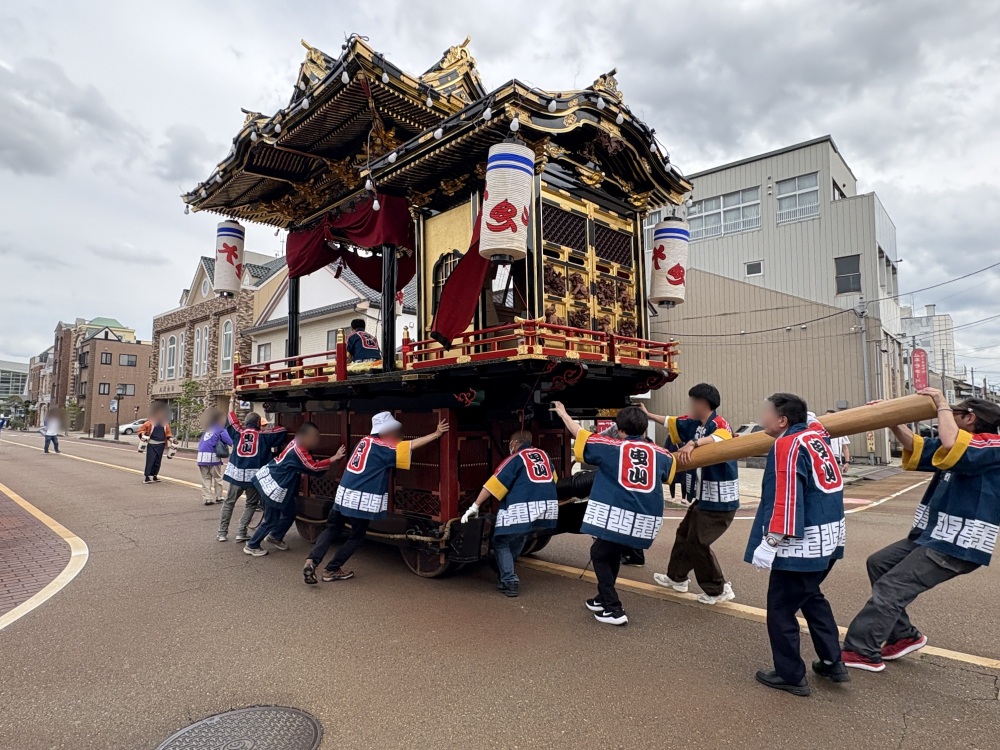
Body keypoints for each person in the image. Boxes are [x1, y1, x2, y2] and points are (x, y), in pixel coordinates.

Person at [841, 389, 1000, 672]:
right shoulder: (959, 443)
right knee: (879, 564)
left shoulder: (991, 445)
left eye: (954, 413)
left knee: (893, 587)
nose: (945, 418)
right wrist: (892, 419)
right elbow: (916, 446)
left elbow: (952, 444)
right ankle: (903, 636)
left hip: (959, 542)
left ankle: (861, 651)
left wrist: (940, 402)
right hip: (933, 534)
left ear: (970, 418)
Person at [746, 393, 847, 697]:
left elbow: (788, 497)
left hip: (802, 545)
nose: (761, 417)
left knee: (780, 608)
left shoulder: (787, 444)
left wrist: (771, 541)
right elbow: (817, 423)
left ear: (782, 420)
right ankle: (832, 660)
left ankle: (791, 674)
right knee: (812, 597)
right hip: (830, 538)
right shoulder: (815, 436)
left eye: (766, 412)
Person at [551, 401, 674, 626]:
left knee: (598, 553)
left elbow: (580, 433)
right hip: (647, 520)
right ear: (645, 429)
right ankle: (601, 598)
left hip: (618, 516)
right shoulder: (662, 454)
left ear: (620, 430)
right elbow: (668, 474)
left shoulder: (611, 446)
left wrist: (563, 413)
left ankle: (613, 608)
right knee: (612, 552)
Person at [303, 412, 448, 582]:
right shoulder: (382, 448)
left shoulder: (364, 441)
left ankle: (311, 561)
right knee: (356, 536)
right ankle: (331, 570)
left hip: (343, 494)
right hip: (359, 498)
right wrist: (436, 434)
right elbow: (410, 446)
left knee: (331, 528)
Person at [643, 384, 740, 604]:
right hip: (704, 496)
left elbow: (723, 437)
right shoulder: (696, 423)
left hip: (720, 499)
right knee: (684, 533)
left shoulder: (719, 423)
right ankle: (676, 578)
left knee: (698, 542)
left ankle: (718, 588)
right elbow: (671, 421)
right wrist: (648, 415)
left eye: (693, 401)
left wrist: (693, 444)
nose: (690, 406)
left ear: (702, 403)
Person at [460, 430, 559, 596]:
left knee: (501, 541)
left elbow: (493, 484)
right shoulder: (544, 455)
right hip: (548, 507)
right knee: (519, 536)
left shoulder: (515, 458)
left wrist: (475, 506)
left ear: (514, 443)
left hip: (524, 507)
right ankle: (504, 572)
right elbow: (554, 479)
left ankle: (509, 580)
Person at [244, 422, 346, 556]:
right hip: (274, 487)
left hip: (272, 481)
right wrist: (334, 458)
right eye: (314, 438)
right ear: (304, 436)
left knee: (290, 512)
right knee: (271, 520)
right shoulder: (298, 450)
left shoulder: (296, 442)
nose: (316, 441)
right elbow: (313, 466)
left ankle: (275, 536)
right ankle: (252, 545)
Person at [218, 397, 288, 542]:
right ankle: (241, 532)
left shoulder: (238, 433)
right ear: (257, 423)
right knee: (250, 504)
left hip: (236, 475)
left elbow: (231, 419)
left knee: (229, 503)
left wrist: (232, 400)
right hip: (253, 478)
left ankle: (222, 533)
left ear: (246, 423)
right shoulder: (263, 436)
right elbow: (282, 430)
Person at [196, 410, 233, 506]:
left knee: (206, 478)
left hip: (201, 457)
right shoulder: (221, 430)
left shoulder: (208, 429)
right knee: (217, 478)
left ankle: (207, 498)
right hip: (213, 457)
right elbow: (231, 442)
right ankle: (219, 496)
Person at [137, 405, 172, 483]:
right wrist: (143, 435)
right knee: (150, 460)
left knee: (157, 461)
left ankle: (155, 475)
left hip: (161, 444)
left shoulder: (165, 424)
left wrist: (171, 439)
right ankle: (147, 476)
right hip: (152, 443)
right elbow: (141, 430)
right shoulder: (150, 423)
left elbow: (168, 433)